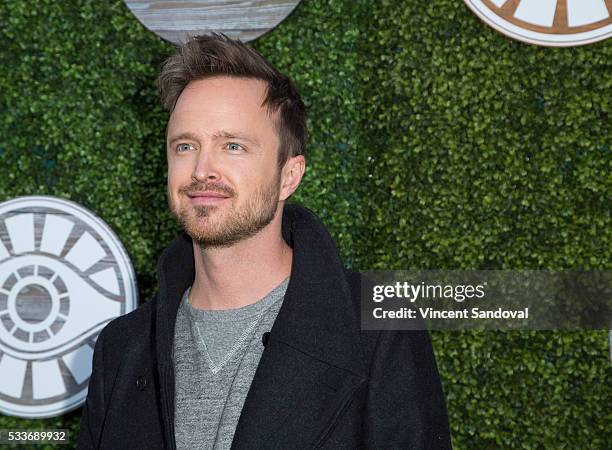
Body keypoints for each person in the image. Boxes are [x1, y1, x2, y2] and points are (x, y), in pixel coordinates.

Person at [77, 33, 451, 449]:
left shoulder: (379, 329)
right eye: (185, 146)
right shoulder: (122, 347)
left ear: (289, 176)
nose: (202, 169)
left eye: (232, 146)